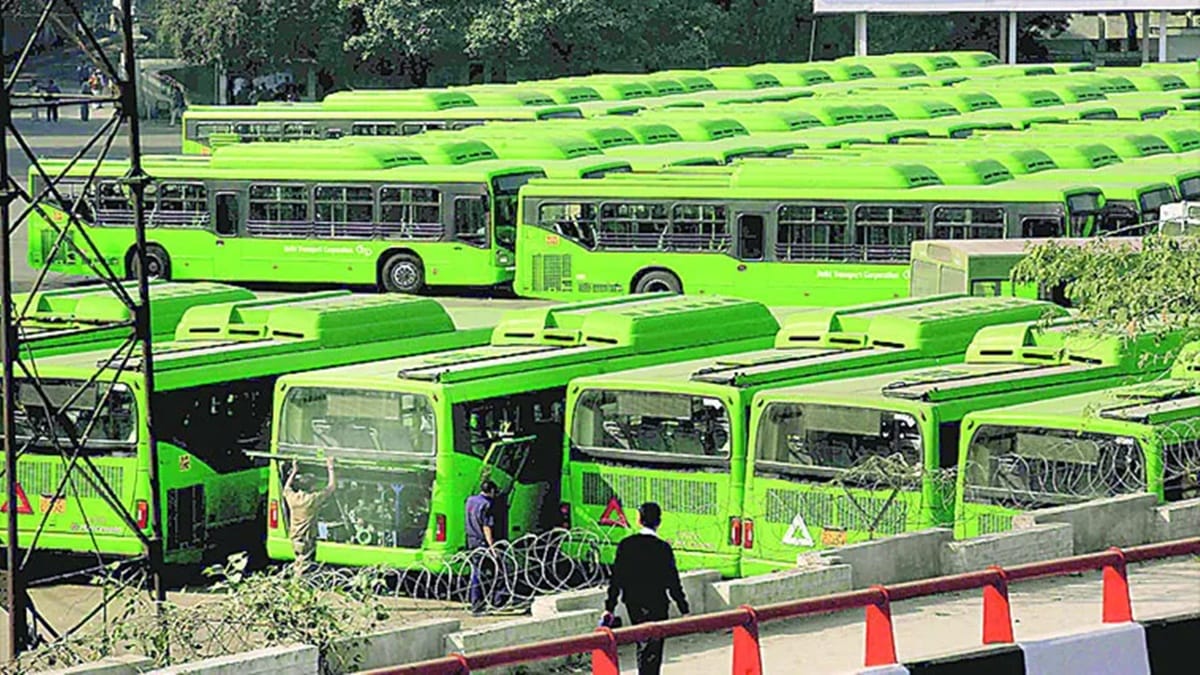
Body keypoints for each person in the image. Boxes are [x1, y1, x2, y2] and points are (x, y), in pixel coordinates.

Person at [603, 502, 689, 675]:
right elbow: (672, 580)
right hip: (658, 603)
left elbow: (617, 578)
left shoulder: (626, 545)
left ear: (639, 520)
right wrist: (683, 608)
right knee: (654, 646)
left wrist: (609, 607)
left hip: (633, 602)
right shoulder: (662, 548)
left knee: (642, 641)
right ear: (659, 522)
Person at [282, 456, 335, 574]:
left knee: (299, 563)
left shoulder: (293, 498)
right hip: (306, 540)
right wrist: (330, 467)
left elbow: (286, 488)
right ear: (311, 487)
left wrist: (294, 471)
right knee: (305, 567)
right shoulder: (311, 500)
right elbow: (331, 487)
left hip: (295, 538)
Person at [465, 479, 502, 615]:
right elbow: (487, 527)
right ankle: (490, 603)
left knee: (477, 572)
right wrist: (492, 547)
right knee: (494, 571)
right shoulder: (487, 505)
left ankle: (478, 603)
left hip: (471, 540)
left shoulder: (470, 500)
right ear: (491, 491)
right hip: (482, 542)